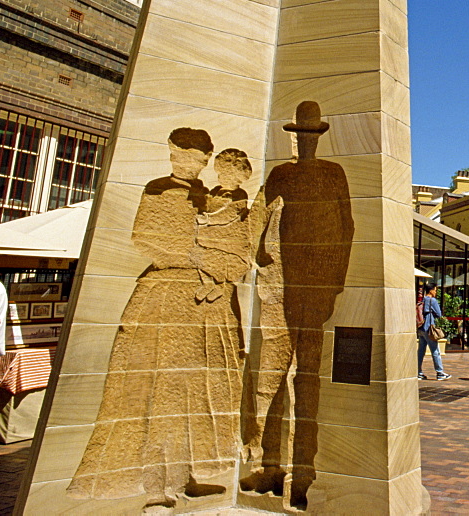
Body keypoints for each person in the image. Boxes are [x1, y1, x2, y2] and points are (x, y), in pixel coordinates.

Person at [69, 128, 248, 508]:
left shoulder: (216, 198)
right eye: (182, 155)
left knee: (195, 393)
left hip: (209, 302)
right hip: (165, 295)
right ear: (172, 155)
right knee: (156, 392)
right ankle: (154, 487)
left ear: (207, 160)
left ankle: (184, 476)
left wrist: (222, 268)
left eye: (198, 157)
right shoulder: (158, 190)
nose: (190, 163)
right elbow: (150, 239)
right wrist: (203, 252)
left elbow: (236, 246)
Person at [242, 101, 355, 510]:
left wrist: (335, 281)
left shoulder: (332, 173)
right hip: (281, 286)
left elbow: (347, 226)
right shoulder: (282, 174)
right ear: (294, 136)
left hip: (317, 285)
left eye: (311, 135)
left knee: (308, 377)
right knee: (271, 374)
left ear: (318, 136)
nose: (305, 142)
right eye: (299, 135)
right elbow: (257, 218)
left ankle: (304, 472)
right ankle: (271, 464)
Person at [417, 284, 451, 381]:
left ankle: (418, 372)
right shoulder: (432, 301)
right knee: (435, 350)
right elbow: (439, 314)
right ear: (431, 291)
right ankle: (440, 372)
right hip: (429, 328)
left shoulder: (422, 300)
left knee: (420, 351)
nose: (436, 292)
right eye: (435, 290)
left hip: (421, 328)